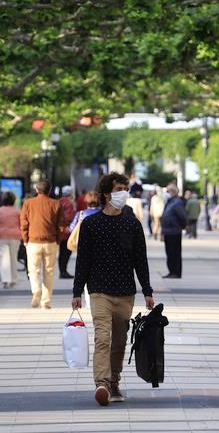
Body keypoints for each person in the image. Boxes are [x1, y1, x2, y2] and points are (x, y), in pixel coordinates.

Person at [72, 172, 155, 406]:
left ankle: (114, 381)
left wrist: (147, 291)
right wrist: (77, 291)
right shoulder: (90, 224)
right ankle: (102, 383)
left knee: (119, 341)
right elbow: (83, 260)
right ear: (107, 193)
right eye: (118, 188)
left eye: (125, 188)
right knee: (102, 337)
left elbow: (141, 260)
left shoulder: (133, 224)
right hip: (99, 291)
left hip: (125, 292)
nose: (123, 193)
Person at [20, 179, 63, 309]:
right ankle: (46, 301)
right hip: (51, 241)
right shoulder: (56, 204)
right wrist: (58, 240)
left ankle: (36, 291)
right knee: (49, 272)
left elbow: (23, 223)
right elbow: (61, 225)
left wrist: (25, 239)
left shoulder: (28, 203)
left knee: (33, 270)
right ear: (49, 190)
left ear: (36, 190)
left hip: (33, 241)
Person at [0, 192, 21, 289]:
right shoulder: (18, 211)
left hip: (1, 236)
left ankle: (6, 279)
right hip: (15, 236)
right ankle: (13, 279)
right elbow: (21, 224)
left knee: (3, 257)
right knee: (13, 257)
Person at [161, 183, 187, 279]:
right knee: (169, 253)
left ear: (174, 192)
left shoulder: (177, 202)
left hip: (174, 232)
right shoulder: (169, 202)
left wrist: (182, 226)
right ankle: (171, 271)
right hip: (167, 232)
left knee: (174, 253)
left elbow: (182, 217)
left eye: (168, 191)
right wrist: (162, 232)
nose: (166, 193)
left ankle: (176, 272)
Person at [58, 186, 77, 279]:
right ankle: (63, 271)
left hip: (59, 231)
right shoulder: (69, 203)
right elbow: (68, 217)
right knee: (66, 252)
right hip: (66, 231)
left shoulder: (59, 201)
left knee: (62, 252)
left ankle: (62, 271)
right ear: (70, 194)